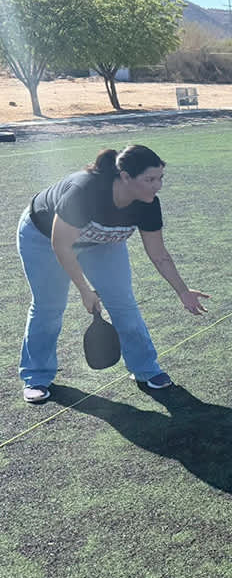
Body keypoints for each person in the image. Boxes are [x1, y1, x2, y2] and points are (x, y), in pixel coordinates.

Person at [17, 145, 209, 402]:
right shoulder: (85, 191)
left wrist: (183, 291)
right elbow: (61, 245)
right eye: (150, 179)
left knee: (123, 303)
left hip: (101, 242)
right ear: (125, 176)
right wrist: (85, 290)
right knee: (48, 306)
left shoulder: (147, 204)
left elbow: (159, 254)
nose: (158, 186)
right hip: (43, 238)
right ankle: (36, 377)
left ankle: (146, 369)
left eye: (160, 178)